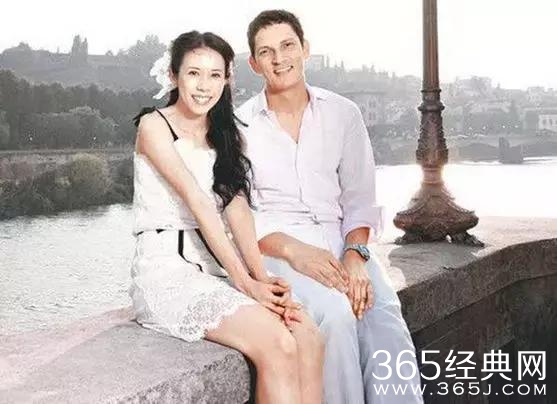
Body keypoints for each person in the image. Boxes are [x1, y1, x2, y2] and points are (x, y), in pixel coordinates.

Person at [236, 10, 424, 404]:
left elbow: (359, 198)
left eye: (287, 45)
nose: (279, 58)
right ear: (253, 63)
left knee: (385, 323)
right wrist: (294, 251)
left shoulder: (343, 113)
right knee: (335, 318)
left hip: (342, 241)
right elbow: (240, 214)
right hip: (279, 249)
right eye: (266, 52)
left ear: (305, 49)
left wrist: (355, 257)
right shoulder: (239, 126)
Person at [129, 30, 324, 404]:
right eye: (194, 73)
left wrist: (261, 276)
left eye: (215, 75)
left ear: (227, 79)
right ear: (173, 76)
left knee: (308, 334)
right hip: (166, 273)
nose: (204, 86)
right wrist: (245, 283)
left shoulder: (227, 134)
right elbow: (199, 202)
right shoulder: (154, 125)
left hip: (217, 269)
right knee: (278, 343)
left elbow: (237, 210)